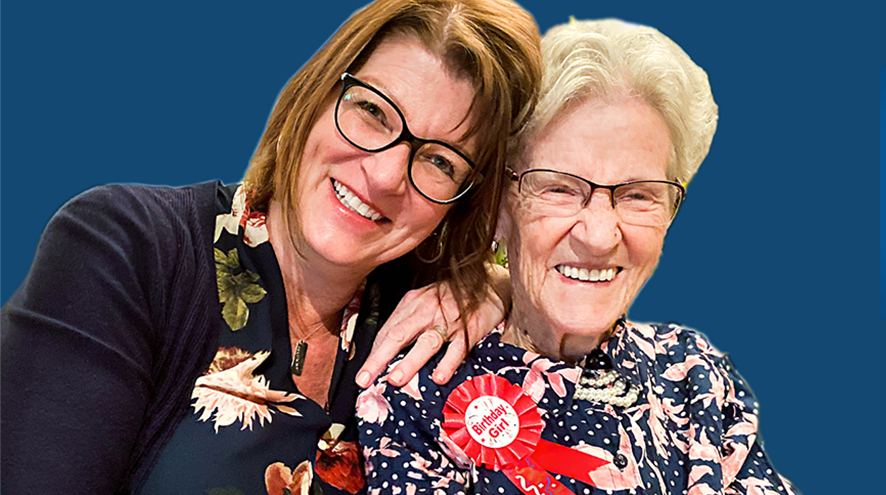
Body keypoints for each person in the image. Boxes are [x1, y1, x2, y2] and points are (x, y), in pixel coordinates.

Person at [0, 1, 541, 494]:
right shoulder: (126, 246)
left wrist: (497, 288)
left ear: (463, 204)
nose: (384, 175)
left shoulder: (423, 329)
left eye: (440, 161)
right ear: (317, 92)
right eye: (373, 112)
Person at [358, 18, 801, 495]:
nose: (598, 235)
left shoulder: (697, 374)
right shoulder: (418, 386)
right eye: (560, 189)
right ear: (499, 208)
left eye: (637, 195)